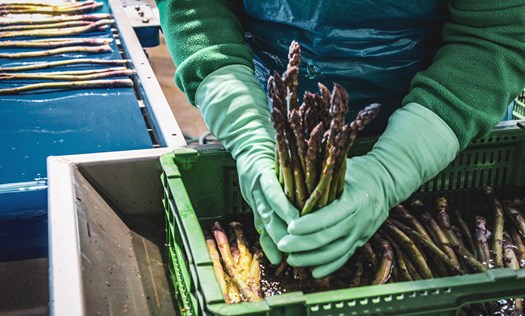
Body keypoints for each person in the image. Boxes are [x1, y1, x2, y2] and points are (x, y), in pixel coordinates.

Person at [155, 1, 525, 278]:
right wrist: (246, 128)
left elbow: (497, 30)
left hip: (443, 132)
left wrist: (393, 168)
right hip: (275, 113)